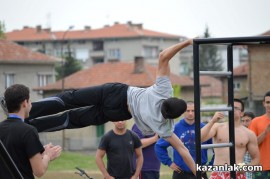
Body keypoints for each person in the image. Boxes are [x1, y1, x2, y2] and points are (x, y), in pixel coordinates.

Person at [7, 38, 196, 174]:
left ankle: (25, 113)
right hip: (118, 112)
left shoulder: (163, 91)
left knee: (68, 99)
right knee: (70, 120)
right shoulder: (165, 128)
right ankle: (30, 126)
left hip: (116, 93)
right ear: (172, 117)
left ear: (169, 98)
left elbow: (163, 56)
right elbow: (183, 150)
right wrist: (199, 172)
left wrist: (187, 42)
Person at [0, 84, 62, 179]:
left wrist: (38, 152)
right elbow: (39, 171)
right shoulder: (28, 131)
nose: (31, 104)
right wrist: (47, 156)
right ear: (25, 103)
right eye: (30, 101)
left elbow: (13, 155)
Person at [201, 99, 260, 179]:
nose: (232, 109)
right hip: (218, 172)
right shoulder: (217, 127)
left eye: (236, 108)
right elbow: (200, 138)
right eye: (230, 107)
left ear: (241, 113)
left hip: (237, 173)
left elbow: (256, 158)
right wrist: (212, 121)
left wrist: (246, 168)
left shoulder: (249, 134)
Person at [155, 101, 213, 179]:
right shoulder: (174, 128)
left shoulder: (205, 128)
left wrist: (210, 165)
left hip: (200, 172)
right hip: (181, 173)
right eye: (187, 111)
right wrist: (169, 163)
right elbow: (159, 146)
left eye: (193, 111)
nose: (190, 113)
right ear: (183, 112)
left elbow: (217, 147)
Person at [249, 91, 270, 178]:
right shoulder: (255, 121)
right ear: (263, 104)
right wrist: (265, 133)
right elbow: (251, 145)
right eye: (268, 102)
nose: (269, 105)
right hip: (261, 168)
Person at [241, 111, 255, 179]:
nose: (244, 124)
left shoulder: (256, 136)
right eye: (242, 121)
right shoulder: (238, 135)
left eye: (247, 121)